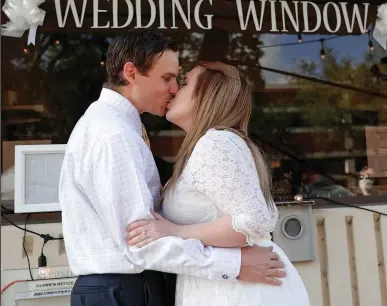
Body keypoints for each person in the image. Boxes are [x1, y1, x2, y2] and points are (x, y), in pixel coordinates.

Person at [59, 29, 286, 306]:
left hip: (131, 287)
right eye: (166, 78)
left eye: (179, 80)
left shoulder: (119, 128)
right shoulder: (113, 135)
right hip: (122, 290)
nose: (174, 88)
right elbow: (140, 241)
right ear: (131, 73)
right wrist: (235, 264)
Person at [125, 61, 310, 305]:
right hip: (225, 284)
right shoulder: (209, 145)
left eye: (185, 83)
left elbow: (253, 221)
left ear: (206, 95)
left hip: (242, 291)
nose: (174, 90)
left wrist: (176, 231)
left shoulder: (217, 143)